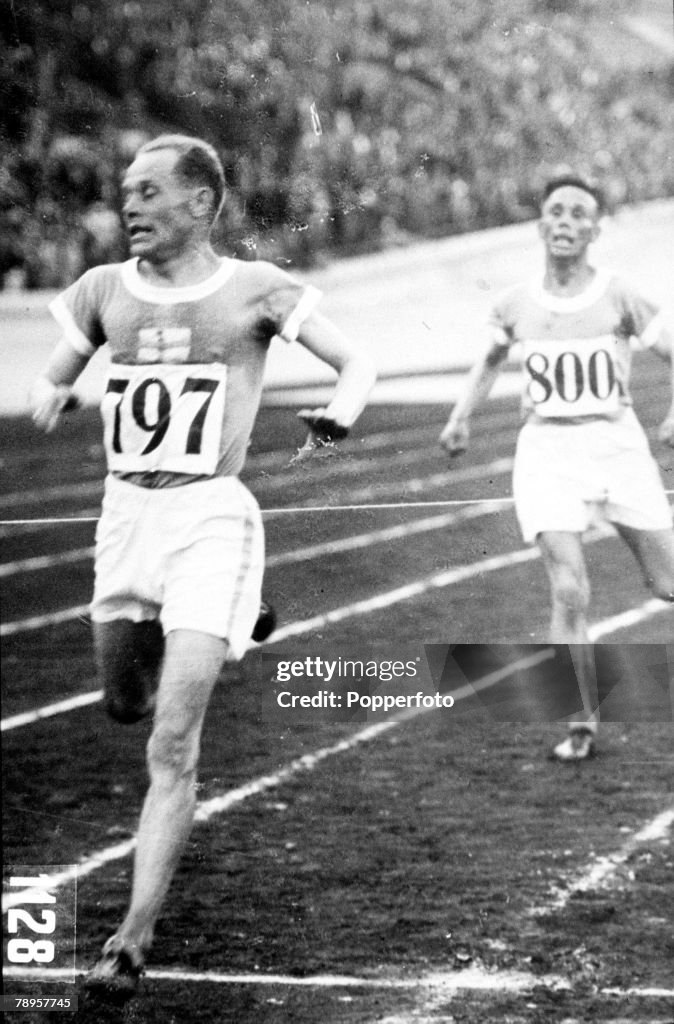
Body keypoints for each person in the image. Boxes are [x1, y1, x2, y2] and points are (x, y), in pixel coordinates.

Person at [30, 134, 376, 1000]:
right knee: (122, 703)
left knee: (171, 743)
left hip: (207, 519)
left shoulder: (253, 289)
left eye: (148, 192)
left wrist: (337, 413)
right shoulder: (103, 289)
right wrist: (56, 394)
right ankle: (235, 615)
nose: (130, 207)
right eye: (125, 193)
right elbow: (53, 377)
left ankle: (129, 940)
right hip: (125, 522)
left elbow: (354, 359)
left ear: (200, 203)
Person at [440, 173, 674, 760]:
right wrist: (461, 417)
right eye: (556, 212)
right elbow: (490, 358)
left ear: (594, 230)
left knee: (667, 583)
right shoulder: (515, 303)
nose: (566, 221)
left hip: (617, 446)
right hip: (546, 452)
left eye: (578, 213)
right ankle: (580, 719)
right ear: (541, 225)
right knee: (569, 589)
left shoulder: (619, 294)